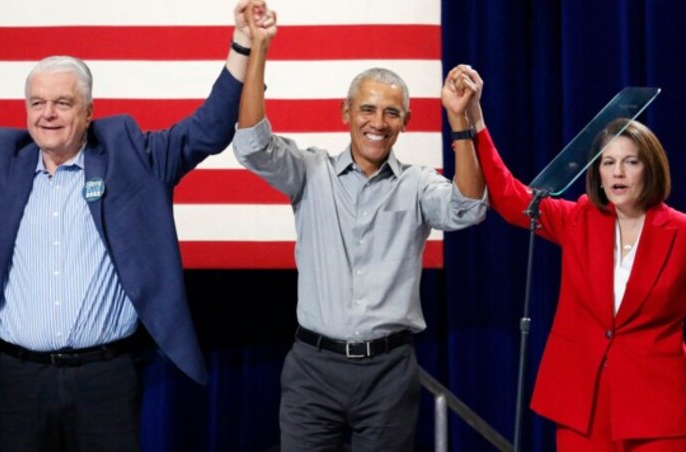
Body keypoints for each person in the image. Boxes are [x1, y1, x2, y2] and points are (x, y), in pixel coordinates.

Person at [0, 3, 276, 451]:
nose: (47, 113)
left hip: (105, 379)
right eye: (37, 103)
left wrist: (243, 44)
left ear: (88, 112)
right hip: (20, 379)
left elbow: (206, 130)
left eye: (62, 103)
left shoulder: (133, 157)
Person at [232, 32, 488, 449]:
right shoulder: (310, 172)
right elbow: (251, 145)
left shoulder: (417, 184)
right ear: (345, 113)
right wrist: (258, 48)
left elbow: (469, 208)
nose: (378, 122)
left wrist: (460, 120)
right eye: (367, 109)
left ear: (405, 122)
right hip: (313, 371)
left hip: (389, 373)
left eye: (391, 112)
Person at [449, 64, 686, 450]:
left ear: (650, 167)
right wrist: (474, 119)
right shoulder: (580, 219)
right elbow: (511, 199)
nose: (617, 173)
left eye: (630, 161)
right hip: (583, 408)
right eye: (608, 162)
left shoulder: (680, 232)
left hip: (657, 412)